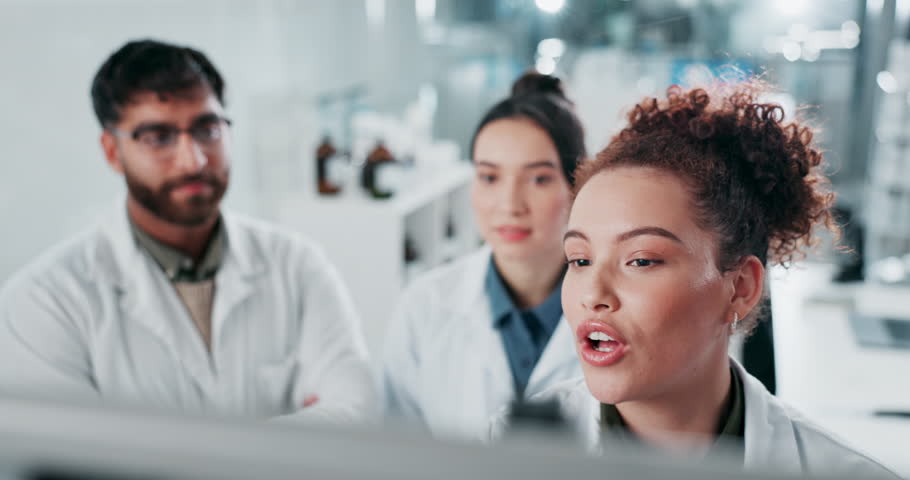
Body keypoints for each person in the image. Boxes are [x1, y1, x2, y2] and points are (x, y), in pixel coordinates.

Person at [0, 39, 376, 422]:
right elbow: (72, 460)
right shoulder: (47, 301)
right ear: (112, 151)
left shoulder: (297, 264)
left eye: (207, 129)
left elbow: (354, 411)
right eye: (158, 138)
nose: (193, 159)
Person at [550, 82, 899, 477]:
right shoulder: (501, 452)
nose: (593, 294)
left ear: (741, 288)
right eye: (579, 260)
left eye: (641, 261)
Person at [381, 72, 587, 440]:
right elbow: (399, 452)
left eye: (538, 179)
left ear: (576, 185)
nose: (510, 205)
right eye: (490, 178)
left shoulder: (614, 309)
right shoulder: (425, 307)